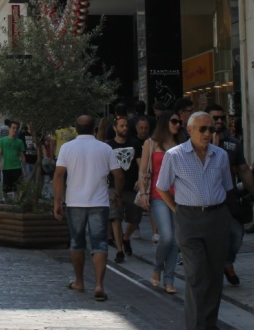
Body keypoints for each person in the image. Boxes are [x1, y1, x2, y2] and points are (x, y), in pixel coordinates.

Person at [156, 112, 233, 330]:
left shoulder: (221, 155)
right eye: (203, 129)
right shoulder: (175, 155)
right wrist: (177, 210)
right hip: (189, 219)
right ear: (189, 130)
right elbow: (162, 187)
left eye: (211, 129)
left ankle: (209, 324)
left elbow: (227, 187)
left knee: (215, 275)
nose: (208, 133)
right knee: (196, 275)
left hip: (217, 217)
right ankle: (196, 326)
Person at [53, 115, 123, 302]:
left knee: (77, 243)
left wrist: (57, 201)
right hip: (99, 202)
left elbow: (59, 175)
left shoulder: (67, 148)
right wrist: (117, 194)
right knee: (99, 243)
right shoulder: (105, 148)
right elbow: (118, 174)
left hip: (75, 202)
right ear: (94, 129)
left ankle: (79, 281)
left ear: (76, 129)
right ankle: (99, 285)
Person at [206, 104, 254, 286]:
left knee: (236, 234)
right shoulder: (199, 144)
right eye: (215, 118)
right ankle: (211, 272)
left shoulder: (233, 144)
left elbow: (244, 170)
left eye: (222, 117)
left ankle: (227, 263)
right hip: (204, 199)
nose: (220, 121)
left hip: (228, 197)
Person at [136, 110, 182, 293]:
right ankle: (157, 268)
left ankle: (169, 280)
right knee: (167, 236)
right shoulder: (150, 143)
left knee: (176, 240)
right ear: (165, 122)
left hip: (180, 196)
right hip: (159, 195)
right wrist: (143, 193)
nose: (178, 124)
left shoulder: (182, 143)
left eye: (179, 122)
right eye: (174, 121)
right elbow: (143, 171)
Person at [106, 116, 142, 263]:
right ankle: (119, 250)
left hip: (132, 186)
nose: (125, 128)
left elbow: (141, 164)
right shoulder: (108, 146)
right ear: (115, 128)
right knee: (116, 217)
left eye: (126, 126)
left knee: (135, 219)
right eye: (121, 126)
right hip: (114, 187)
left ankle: (126, 238)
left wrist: (141, 179)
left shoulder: (135, 144)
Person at [0, 121, 26, 194]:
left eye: (16, 128)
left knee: (17, 189)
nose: (15, 130)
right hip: (7, 167)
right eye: (13, 128)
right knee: (6, 189)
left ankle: (15, 203)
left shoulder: (19, 142)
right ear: (9, 128)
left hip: (17, 167)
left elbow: (22, 156)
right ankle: (8, 202)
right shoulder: (2, 140)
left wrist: (24, 169)